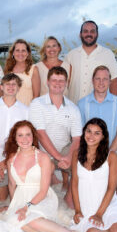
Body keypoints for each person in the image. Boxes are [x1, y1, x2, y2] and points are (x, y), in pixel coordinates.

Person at [3, 121, 94, 232]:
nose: (25, 139)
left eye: (28, 135)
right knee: (16, 223)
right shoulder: (11, 158)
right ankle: (63, 231)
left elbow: (44, 190)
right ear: (15, 138)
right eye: (20, 135)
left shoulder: (42, 157)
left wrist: (25, 207)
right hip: (21, 198)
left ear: (33, 137)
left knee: (32, 221)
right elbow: (12, 184)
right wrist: (13, 204)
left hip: (41, 197)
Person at [78, 65, 117, 199]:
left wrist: (108, 154)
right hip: (90, 149)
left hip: (114, 149)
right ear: (92, 80)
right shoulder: (82, 103)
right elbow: (80, 133)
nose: (101, 83)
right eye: (98, 79)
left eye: (105, 79)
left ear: (109, 81)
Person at [29, 66, 81, 201]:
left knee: (81, 163)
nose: (57, 84)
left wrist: (69, 157)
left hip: (64, 149)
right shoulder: (37, 103)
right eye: (54, 80)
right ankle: (46, 189)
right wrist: (58, 157)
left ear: (66, 83)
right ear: (47, 82)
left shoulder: (73, 108)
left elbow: (76, 138)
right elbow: (40, 133)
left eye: (61, 81)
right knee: (49, 168)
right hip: (41, 151)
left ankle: (70, 196)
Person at [0, 73, 28, 210]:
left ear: (19, 88)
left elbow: (26, 140)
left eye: (14, 84)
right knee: (2, 198)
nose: (11, 87)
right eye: (7, 84)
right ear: (1, 87)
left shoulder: (25, 110)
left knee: (19, 198)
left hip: (16, 157)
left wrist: (8, 160)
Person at [64, 20, 117, 104]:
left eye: (92, 31)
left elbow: (114, 82)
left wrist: (112, 106)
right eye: (85, 31)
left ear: (97, 34)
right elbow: (65, 82)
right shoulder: (71, 55)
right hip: (74, 108)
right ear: (80, 34)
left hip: (98, 108)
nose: (89, 34)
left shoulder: (107, 54)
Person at [4, 39, 41, 105]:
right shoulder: (8, 70)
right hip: (11, 110)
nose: (20, 53)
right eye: (17, 50)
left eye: (23, 50)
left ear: (27, 53)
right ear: (13, 53)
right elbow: (4, 93)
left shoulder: (33, 69)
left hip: (27, 110)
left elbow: (36, 96)